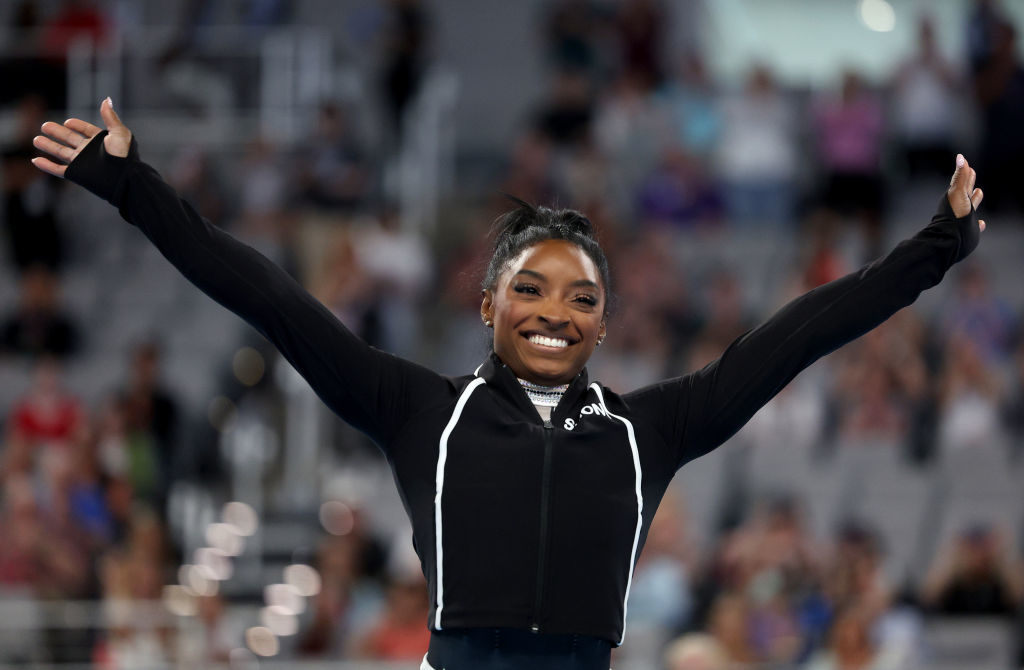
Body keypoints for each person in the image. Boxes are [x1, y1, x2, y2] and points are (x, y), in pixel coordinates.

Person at [31, 99, 986, 670]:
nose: (553, 311)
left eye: (581, 297)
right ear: (488, 303)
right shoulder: (417, 411)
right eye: (529, 287)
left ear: (605, 323)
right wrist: (135, 187)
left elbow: (801, 335)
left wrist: (935, 248)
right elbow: (269, 297)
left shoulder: (650, 428)